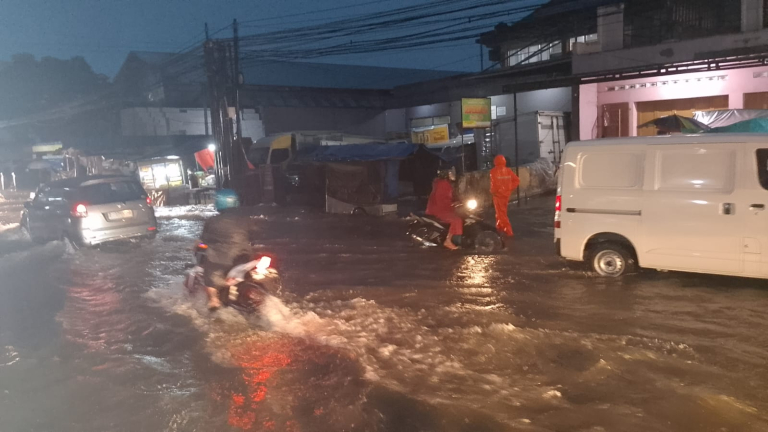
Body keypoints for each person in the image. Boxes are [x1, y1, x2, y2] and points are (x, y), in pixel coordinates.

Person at [201, 190, 252, 311]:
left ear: (219, 202)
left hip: (222, 261)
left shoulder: (212, 221)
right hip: (244, 258)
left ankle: (214, 300)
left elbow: (203, 240)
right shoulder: (246, 220)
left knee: (209, 279)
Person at [426, 167, 462, 250]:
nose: (453, 174)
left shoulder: (441, 182)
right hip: (439, 210)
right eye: (450, 172)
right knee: (457, 220)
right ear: (446, 174)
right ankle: (448, 240)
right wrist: (452, 204)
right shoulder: (443, 184)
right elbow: (441, 200)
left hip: (437, 208)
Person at [490, 155, 520, 237]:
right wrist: (509, 188)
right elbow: (517, 180)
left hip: (498, 195)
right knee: (500, 212)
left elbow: (494, 184)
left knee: (501, 213)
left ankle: (508, 231)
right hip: (506, 195)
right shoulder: (508, 171)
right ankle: (499, 227)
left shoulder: (493, 171)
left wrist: (493, 192)